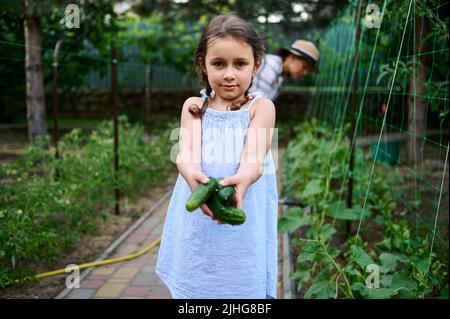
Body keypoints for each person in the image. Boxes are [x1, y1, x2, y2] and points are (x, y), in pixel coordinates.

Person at [155, 14, 278, 299]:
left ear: (256, 64)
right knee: (197, 283)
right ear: (203, 64)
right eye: (219, 64)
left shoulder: (261, 108)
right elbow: (185, 155)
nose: (229, 74)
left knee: (241, 284)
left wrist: (244, 178)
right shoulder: (194, 106)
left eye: (240, 64)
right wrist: (191, 176)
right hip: (199, 219)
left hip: (243, 209)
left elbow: (254, 159)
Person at [249, 39, 320, 101]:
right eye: (304, 67)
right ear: (292, 57)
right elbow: (258, 104)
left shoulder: (280, 73)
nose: (305, 73)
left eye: (308, 70)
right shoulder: (270, 67)